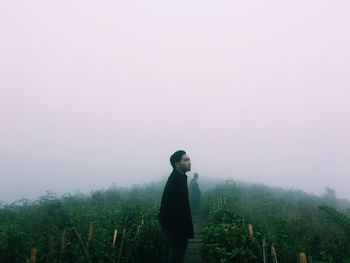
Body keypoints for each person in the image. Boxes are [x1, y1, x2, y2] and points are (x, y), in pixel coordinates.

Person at [157, 150, 194, 263]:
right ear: (177, 164)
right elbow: (172, 209)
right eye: (185, 160)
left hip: (176, 227)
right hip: (174, 228)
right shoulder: (176, 180)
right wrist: (179, 232)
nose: (189, 162)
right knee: (176, 256)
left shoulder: (180, 177)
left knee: (177, 256)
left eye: (189, 159)